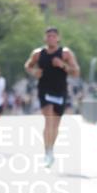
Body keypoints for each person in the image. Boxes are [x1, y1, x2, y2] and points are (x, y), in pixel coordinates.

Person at [24, 27, 80, 167]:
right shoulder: (38, 54)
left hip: (60, 90)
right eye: (48, 36)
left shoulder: (65, 53)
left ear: (58, 38)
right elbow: (28, 66)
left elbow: (76, 72)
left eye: (53, 36)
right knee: (48, 118)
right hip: (44, 89)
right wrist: (34, 72)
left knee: (55, 123)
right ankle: (47, 153)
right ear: (45, 38)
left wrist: (63, 65)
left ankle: (50, 149)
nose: (51, 38)